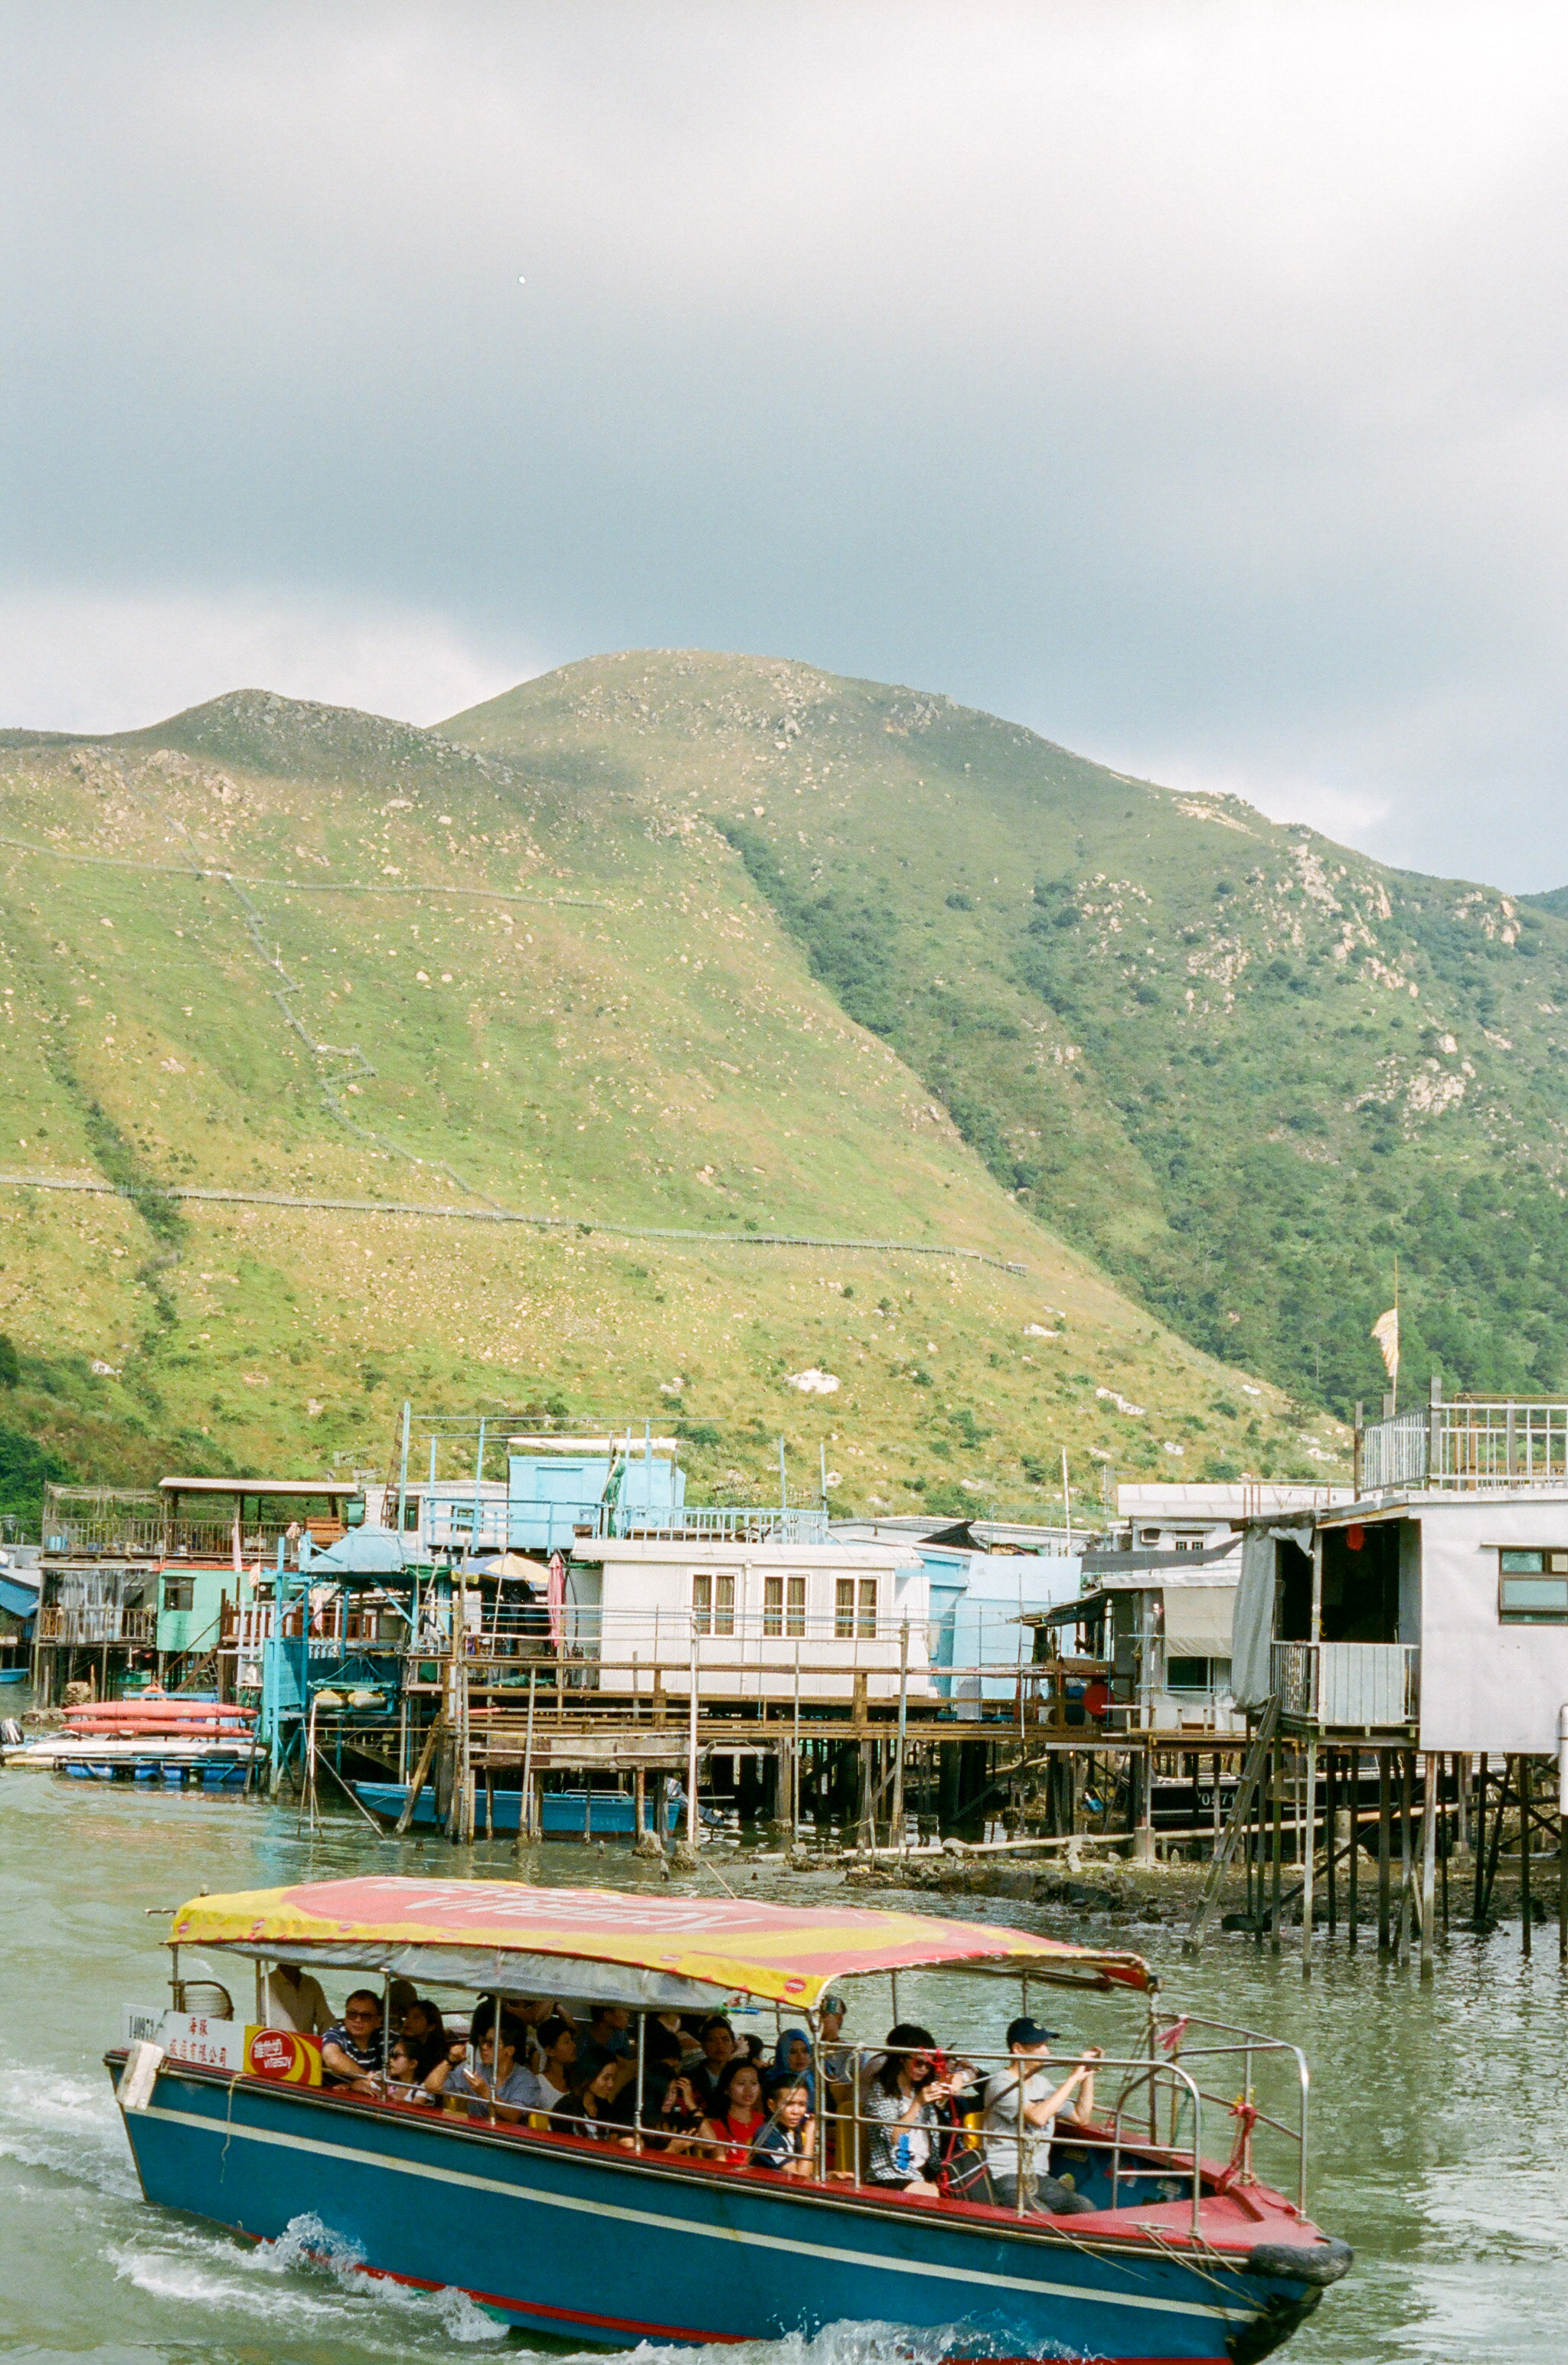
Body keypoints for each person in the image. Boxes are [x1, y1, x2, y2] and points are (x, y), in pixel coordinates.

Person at [981, 2018, 1101, 2216]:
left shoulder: (1043, 2084)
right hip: (1005, 2176)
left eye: (1046, 2045)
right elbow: (1037, 2117)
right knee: (1041, 2215)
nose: (1047, 2052)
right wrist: (1072, 2078)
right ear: (1018, 2049)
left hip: (1037, 2177)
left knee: (1085, 2208)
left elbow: (1081, 2116)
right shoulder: (1001, 2083)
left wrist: (1087, 2074)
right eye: (1039, 2046)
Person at [862, 2024, 953, 2197]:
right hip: (892, 2172)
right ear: (902, 2059)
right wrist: (917, 2104)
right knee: (935, 2195)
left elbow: (951, 2075)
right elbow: (894, 2136)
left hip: (925, 2169)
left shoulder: (921, 2087)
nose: (924, 2069)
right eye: (919, 2063)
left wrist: (955, 2079)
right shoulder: (881, 2092)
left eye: (929, 2066)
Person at [426, 2009, 537, 2123]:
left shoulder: (526, 2079)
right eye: (483, 2041)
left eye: (490, 2043)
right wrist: (450, 2060)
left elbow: (514, 2115)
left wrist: (485, 2092)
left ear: (509, 2051)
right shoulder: (473, 2069)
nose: (484, 2047)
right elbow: (431, 2086)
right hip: (473, 2133)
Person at [549, 2057, 636, 2146]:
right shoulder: (564, 2108)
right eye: (606, 2078)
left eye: (613, 2079)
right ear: (590, 2076)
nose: (611, 2084)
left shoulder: (606, 2107)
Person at [697, 2056, 766, 2166]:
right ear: (727, 2089)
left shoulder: (765, 2122)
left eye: (754, 2083)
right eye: (741, 2084)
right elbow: (719, 2165)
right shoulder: (717, 2124)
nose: (749, 2090)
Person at [321, 1991, 386, 2091]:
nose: (358, 2020)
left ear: (378, 2021)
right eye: (352, 2014)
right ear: (346, 2016)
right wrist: (368, 2079)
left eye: (365, 2016)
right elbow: (333, 2059)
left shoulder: (385, 2037)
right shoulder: (335, 2034)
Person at [750, 2079, 815, 2176]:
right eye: (789, 2104)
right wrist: (810, 2134)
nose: (796, 2111)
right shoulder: (766, 2135)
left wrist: (830, 2175)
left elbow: (806, 2168)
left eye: (802, 2104)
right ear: (772, 2105)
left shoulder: (794, 2129)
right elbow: (800, 2177)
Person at [262, 1960, 332, 2035]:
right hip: (279, 2042)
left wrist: (334, 2039)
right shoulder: (266, 1983)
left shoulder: (312, 1983)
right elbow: (279, 2021)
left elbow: (326, 2020)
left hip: (306, 2043)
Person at [688, 2014, 737, 2112]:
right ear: (703, 2046)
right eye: (712, 2040)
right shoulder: (692, 2078)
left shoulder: (740, 2074)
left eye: (725, 2040)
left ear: (733, 2045)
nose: (720, 2045)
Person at [531, 2014, 579, 2112]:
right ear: (550, 2051)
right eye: (567, 2042)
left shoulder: (578, 2079)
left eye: (571, 2041)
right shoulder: (538, 2084)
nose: (573, 2045)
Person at [400, 1998, 449, 2079]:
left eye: (416, 2018)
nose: (408, 2021)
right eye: (407, 2017)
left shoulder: (435, 2055)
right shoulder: (399, 2046)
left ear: (431, 2027)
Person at [766, 2027, 815, 2108]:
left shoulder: (815, 2079)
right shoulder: (772, 2084)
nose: (801, 2057)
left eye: (805, 2051)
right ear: (782, 2055)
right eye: (793, 2052)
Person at [383, 2034, 437, 2105]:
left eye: (396, 2056)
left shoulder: (422, 2087)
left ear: (412, 2064)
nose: (390, 2060)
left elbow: (413, 2108)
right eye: (391, 2055)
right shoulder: (388, 2079)